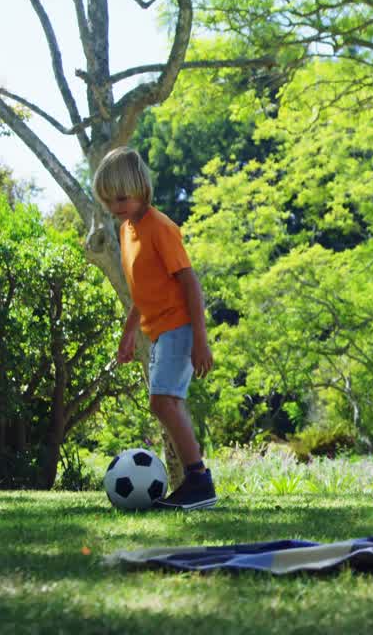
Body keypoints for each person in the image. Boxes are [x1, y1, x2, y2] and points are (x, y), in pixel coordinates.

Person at [93, 146, 218, 511]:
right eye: (108, 200)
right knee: (166, 402)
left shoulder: (160, 228)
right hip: (160, 330)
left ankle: (199, 480)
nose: (116, 206)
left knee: (162, 401)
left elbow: (190, 284)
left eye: (122, 198)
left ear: (140, 188)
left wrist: (201, 340)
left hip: (180, 325)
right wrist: (129, 331)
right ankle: (196, 483)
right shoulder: (127, 230)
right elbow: (143, 290)